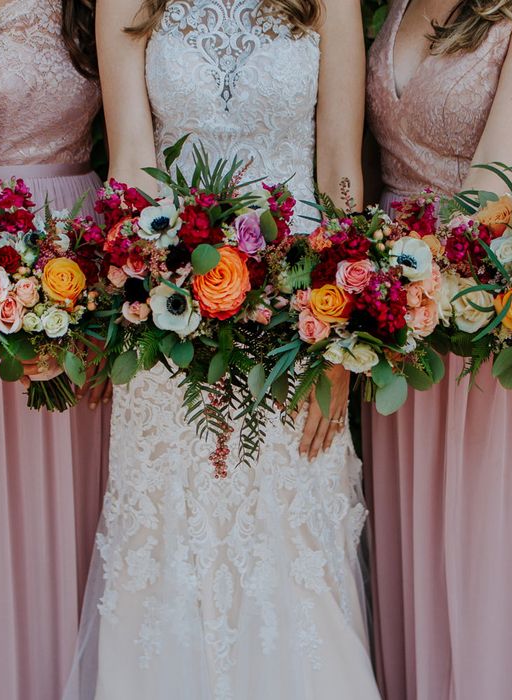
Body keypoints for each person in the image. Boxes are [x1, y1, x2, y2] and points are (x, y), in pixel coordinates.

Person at [64, 0, 380, 697]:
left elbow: (339, 171)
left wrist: (338, 345)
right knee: (168, 560)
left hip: (297, 323)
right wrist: (166, 292)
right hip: (170, 323)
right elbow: (132, 168)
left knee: (295, 564)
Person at [365, 1, 512, 697]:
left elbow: (489, 195)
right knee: (420, 571)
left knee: (491, 572)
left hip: (499, 326)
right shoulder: (404, 4)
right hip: (399, 331)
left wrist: (387, 283)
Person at [0, 2, 110, 699]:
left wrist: (94, 308)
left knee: (82, 510)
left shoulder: (90, 4)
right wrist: (16, 298)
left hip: (89, 266)